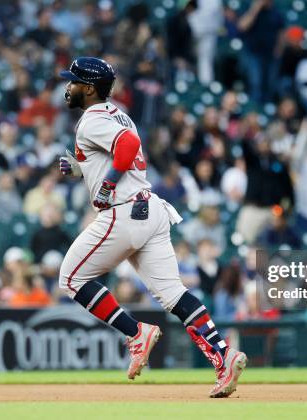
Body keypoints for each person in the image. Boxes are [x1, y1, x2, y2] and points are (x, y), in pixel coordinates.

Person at [58, 57, 246, 398]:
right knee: (174, 294)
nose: (67, 86)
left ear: (88, 88)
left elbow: (126, 149)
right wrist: (79, 169)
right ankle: (224, 356)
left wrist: (106, 184)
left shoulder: (91, 119)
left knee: (72, 278)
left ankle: (134, 333)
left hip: (124, 212)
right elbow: (120, 151)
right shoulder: (117, 113)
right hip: (150, 209)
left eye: (73, 81)